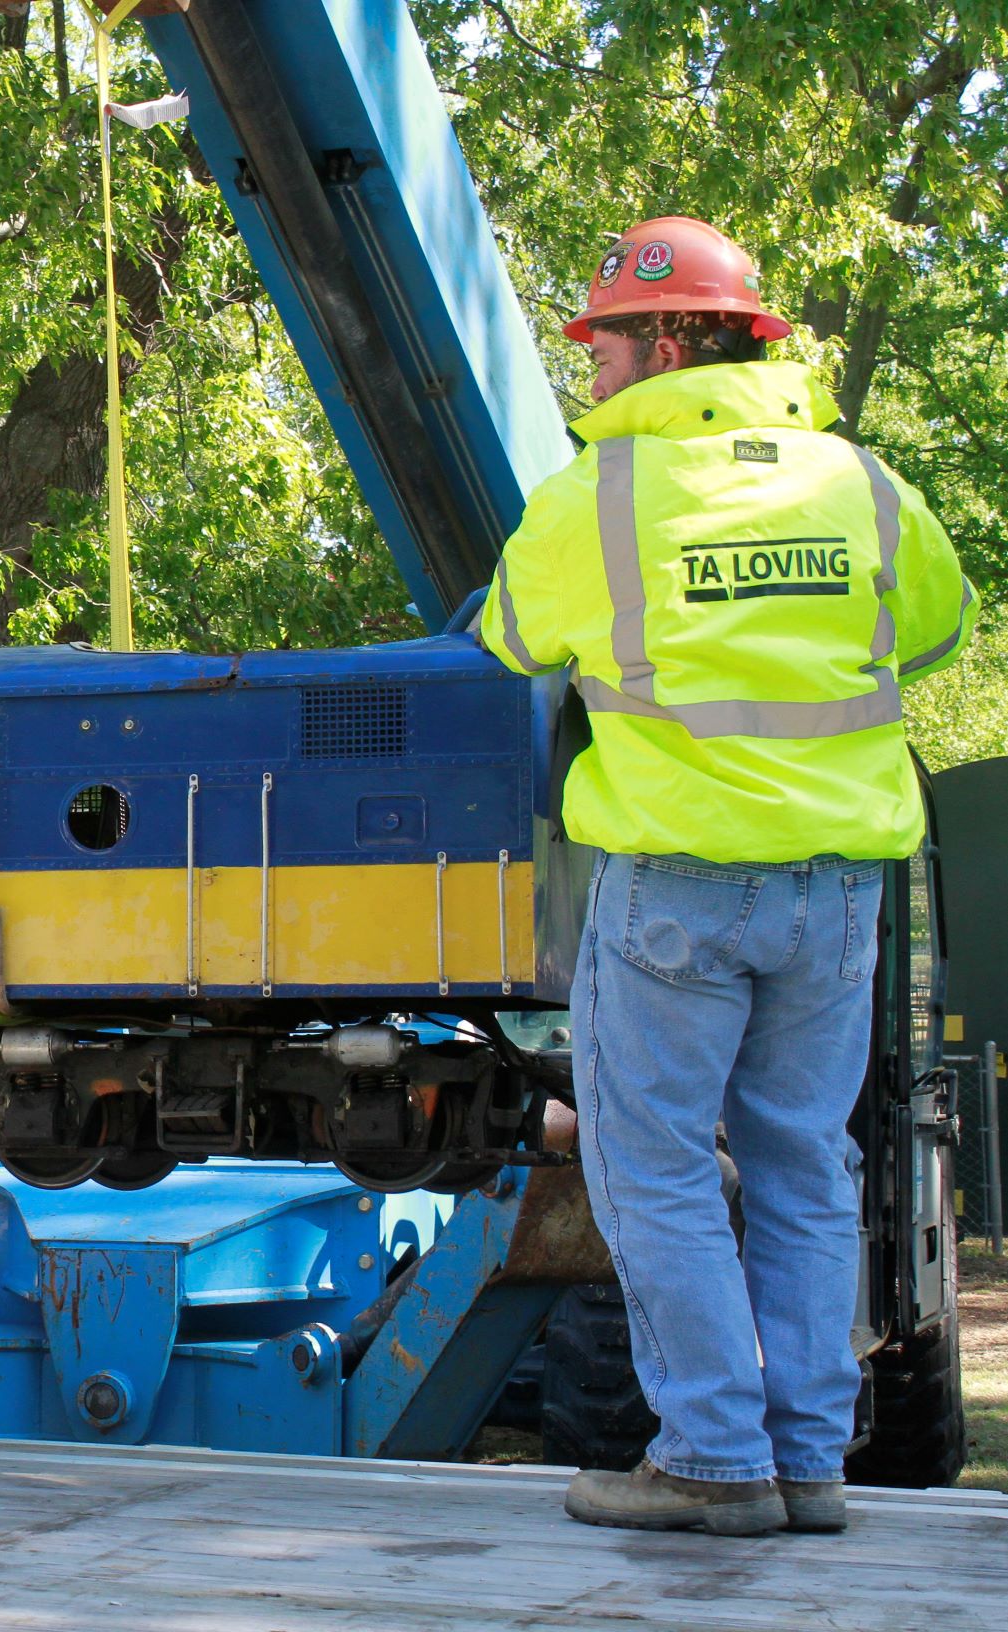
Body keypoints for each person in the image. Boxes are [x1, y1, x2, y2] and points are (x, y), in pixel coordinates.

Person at [479, 216, 978, 1536]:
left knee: (653, 1175)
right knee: (807, 1167)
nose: (588, 372)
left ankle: (709, 1455)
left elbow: (511, 637)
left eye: (600, 344)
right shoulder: (861, 485)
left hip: (677, 890)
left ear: (664, 343)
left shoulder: (599, 499)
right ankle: (808, 1461)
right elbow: (935, 628)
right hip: (834, 891)